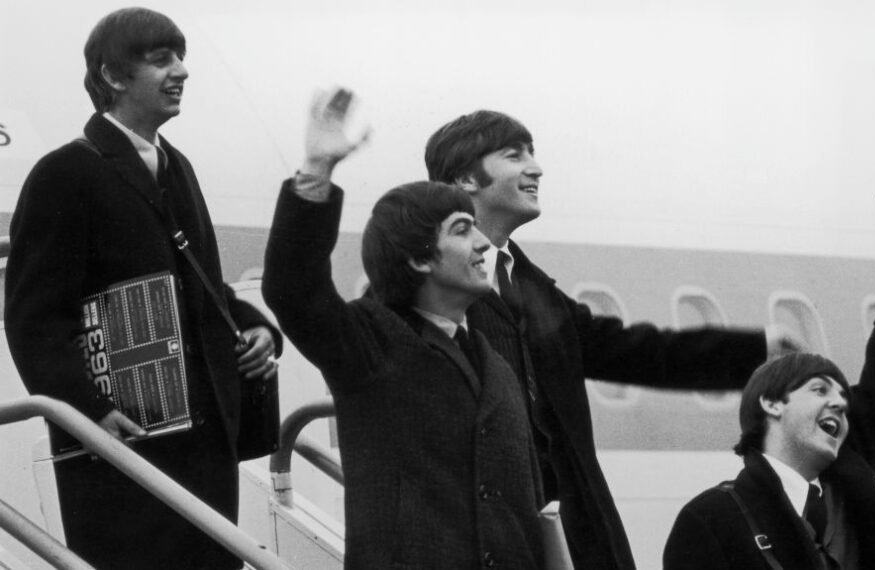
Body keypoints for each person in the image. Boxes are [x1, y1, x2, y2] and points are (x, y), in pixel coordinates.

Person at [425, 110, 804, 569]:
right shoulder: (430, 291)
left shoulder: (536, 291)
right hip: (488, 539)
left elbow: (640, 353)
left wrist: (754, 349)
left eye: (532, 153)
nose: (536, 168)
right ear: (466, 177)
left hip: (571, 535)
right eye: (514, 155)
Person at [4, 8, 280, 569]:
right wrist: (89, 413)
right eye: (161, 60)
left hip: (202, 445)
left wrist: (256, 326)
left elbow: (203, 288)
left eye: (181, 58)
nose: (181, 71)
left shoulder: (178, 168)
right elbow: (34, 317)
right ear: (112, 76)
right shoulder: (65, 173)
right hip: (122, 444)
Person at [262, 88, 544, 569]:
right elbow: (294, 288)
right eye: (461, 229)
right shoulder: (370, 344)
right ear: (416, 258)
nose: (481, 245)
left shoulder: (495, 368)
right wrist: (317, 169)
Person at [662, 182, 875, 570]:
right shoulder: (710, 519)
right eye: (820, 389)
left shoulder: (848, 484)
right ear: (772, 403)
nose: (840, 401)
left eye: (842, 394)